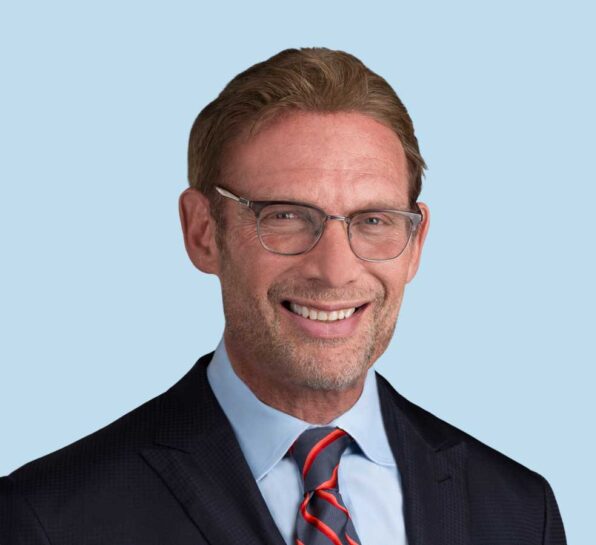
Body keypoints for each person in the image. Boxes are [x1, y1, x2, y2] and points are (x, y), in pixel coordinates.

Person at [0, 47, 566, 545]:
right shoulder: (50, 518)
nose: (335, 269)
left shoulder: (518, 510)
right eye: (287, 216)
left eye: (373, 220)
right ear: (203, 233)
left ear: (415, 244)